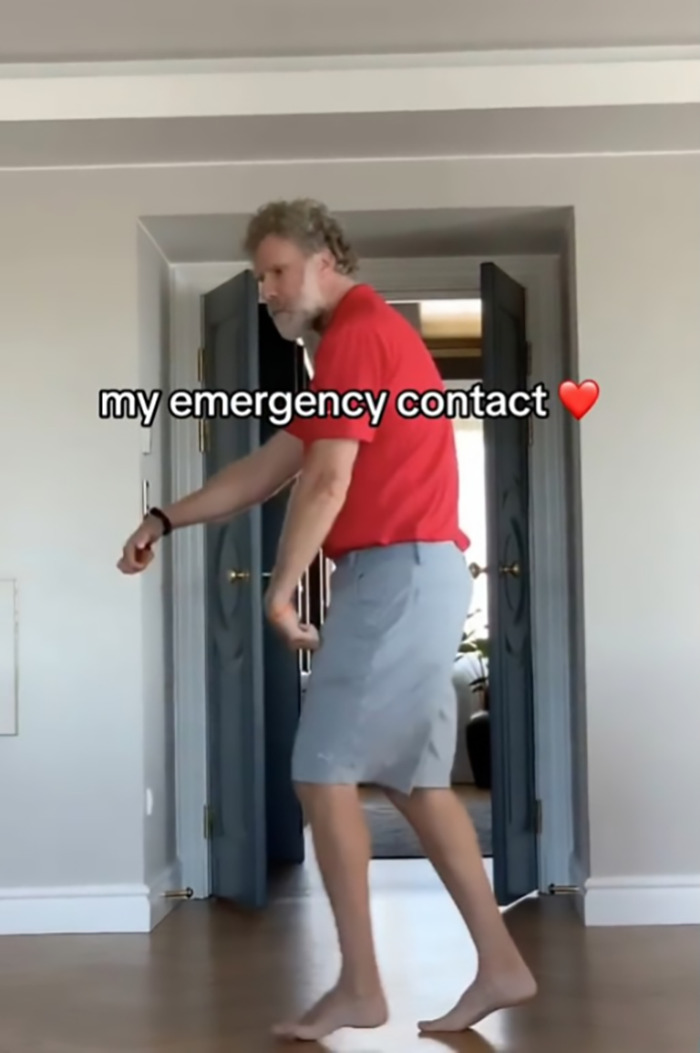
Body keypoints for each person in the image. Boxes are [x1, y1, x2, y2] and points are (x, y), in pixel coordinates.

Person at [118, 198, 537, 1041]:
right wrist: (166, 516)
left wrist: (281, 590)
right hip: (412, 572)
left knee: (320, 768)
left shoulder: (357, 334)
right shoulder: (356, 346)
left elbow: (327, 483)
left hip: (396, 572)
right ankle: (501, 963)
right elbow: (276, 465)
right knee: (415, 784)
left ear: (324, 261)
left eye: (276, 270)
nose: (267, 289)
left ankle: (359, 984)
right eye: (262, 274)